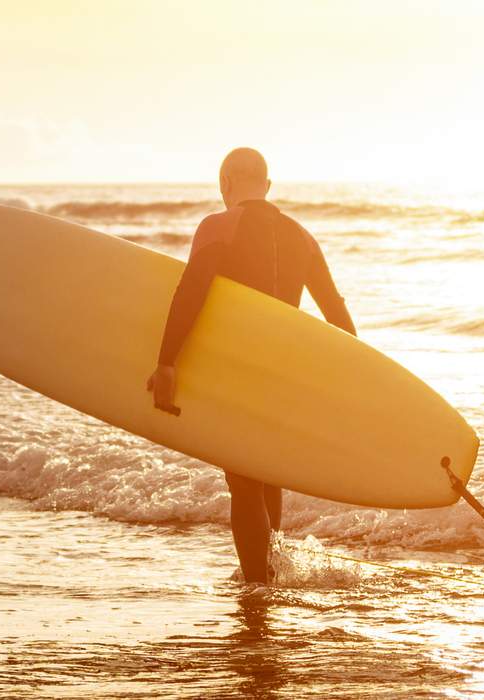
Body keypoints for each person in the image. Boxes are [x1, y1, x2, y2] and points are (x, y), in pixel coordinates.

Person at [147, 147, 356, 585]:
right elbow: (336, 315)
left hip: (239, 369)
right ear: (268, 185)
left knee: (243, 481)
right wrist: (355, 381)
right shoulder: (303, 237)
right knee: (266, 471)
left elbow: (191, 292)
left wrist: (166, 362)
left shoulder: (218, 226)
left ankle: (257, 592)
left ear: (224, 183)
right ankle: (270, 577)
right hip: (285, 375)